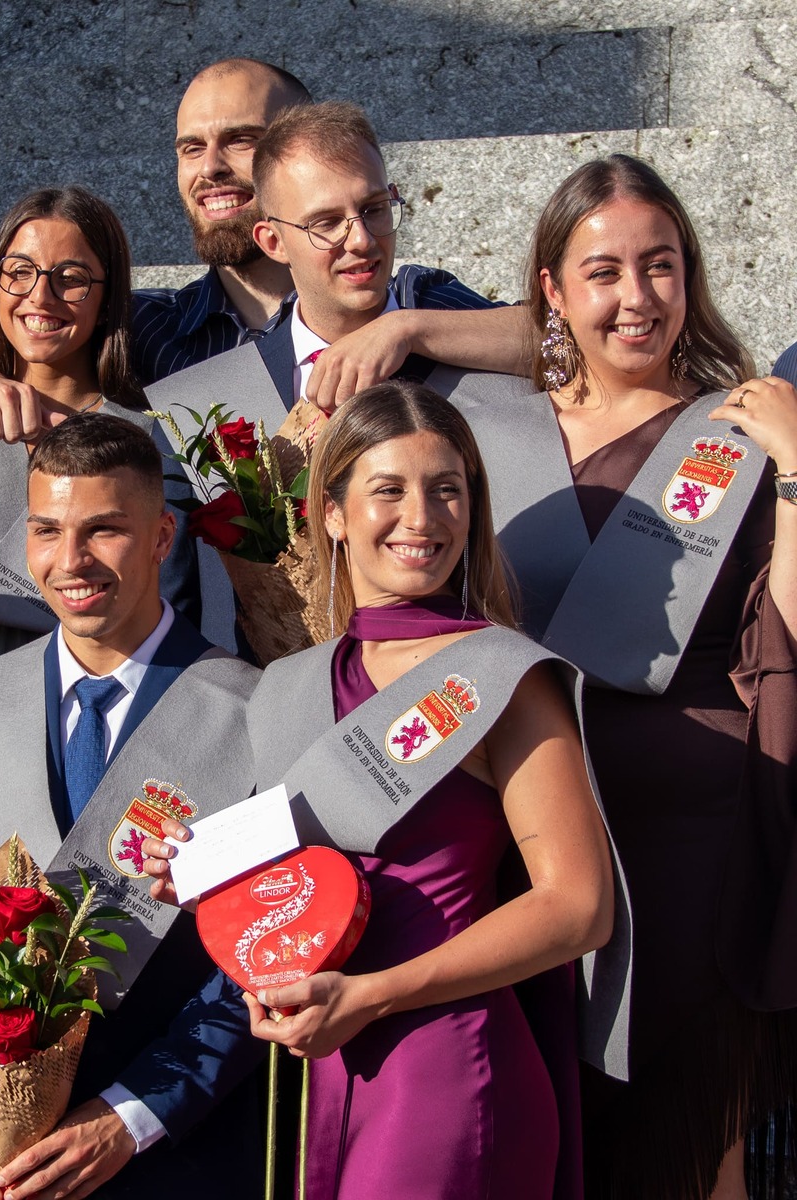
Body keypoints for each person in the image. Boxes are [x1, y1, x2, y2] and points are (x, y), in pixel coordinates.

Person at [146, 382, 616, 1199]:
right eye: (388, 490)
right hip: (324, 1062)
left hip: (449, 1063)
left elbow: (580, 907)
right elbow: (302, 888)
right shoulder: (289, 686)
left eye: (447, 489)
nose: (422, 518)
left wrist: (374, 994)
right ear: (331, 513)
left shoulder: (504, 676)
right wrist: (205, 886)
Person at [436, 153, 797, 1200]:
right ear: (549, 289)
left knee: (691, 1150)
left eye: (661, 266)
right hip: (519, 840)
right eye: (604, 271)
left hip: (692, 844)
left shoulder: (746, 430)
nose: (636, 298)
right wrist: (407, 330)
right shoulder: (489, 425)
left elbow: (788, 642)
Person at [0, 412, 265, 1200]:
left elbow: (256, 960)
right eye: (46, 530)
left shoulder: (255, 711)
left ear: (163, 538)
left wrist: (131, 1116)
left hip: (167, 1156)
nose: (70, 561)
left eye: (104, 531)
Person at [0, 62, 522, 441]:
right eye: (190, 148)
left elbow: (551, 339)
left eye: (240, 141)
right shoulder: (154, 328)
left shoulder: (410, 295)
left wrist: (406, 330)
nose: (210, 168)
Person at [0, 185, 201, 687]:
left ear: (108, 298)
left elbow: (174, 604)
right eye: (18, 272)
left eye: (71, 279)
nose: (40, 296)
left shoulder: (154, 440)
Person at [146, 101, 529, 445]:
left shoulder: (438, 314)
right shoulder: (208, 398)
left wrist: (403, 329)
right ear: (273, 242)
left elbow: (568, 338)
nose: (361, 240)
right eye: (325, 223)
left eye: (375, 208)